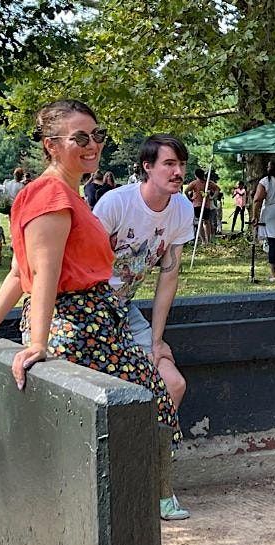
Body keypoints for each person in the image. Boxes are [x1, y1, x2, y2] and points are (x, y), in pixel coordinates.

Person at [0, 100, 181, 460]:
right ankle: (147, 499)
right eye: (80, 137)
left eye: (97, 135)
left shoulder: (60, 193)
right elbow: (40, 273)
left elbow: (19, 271)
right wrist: (37, 344)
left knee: (149, 402)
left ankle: (148, 498)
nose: (92, 145)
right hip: (80, 327)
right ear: (51, 144)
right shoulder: (52, 195)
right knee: (148, 405)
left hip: (92, 324)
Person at [93, 133, 194, 521]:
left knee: (174, 383)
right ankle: (117, 487)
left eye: (181, 165)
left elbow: (168, 278)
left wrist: (155, 340)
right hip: (89, 308)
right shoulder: (116, 203)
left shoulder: (181, 209)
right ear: (147, 167)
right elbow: (80, 265)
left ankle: (157, 487)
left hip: (125, 309)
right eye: (169, 164)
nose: (178, 172)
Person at [185, 169, 214, 244]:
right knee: (205, 222)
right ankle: (206, 241)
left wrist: (190, 199)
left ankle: (206, 241)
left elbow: (186, 191)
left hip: (202, 205)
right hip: (200, 205)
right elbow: (186, 191)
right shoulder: (196, 183)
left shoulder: (207, 183)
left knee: (202, 222)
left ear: (196, 175)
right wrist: (212, 197)